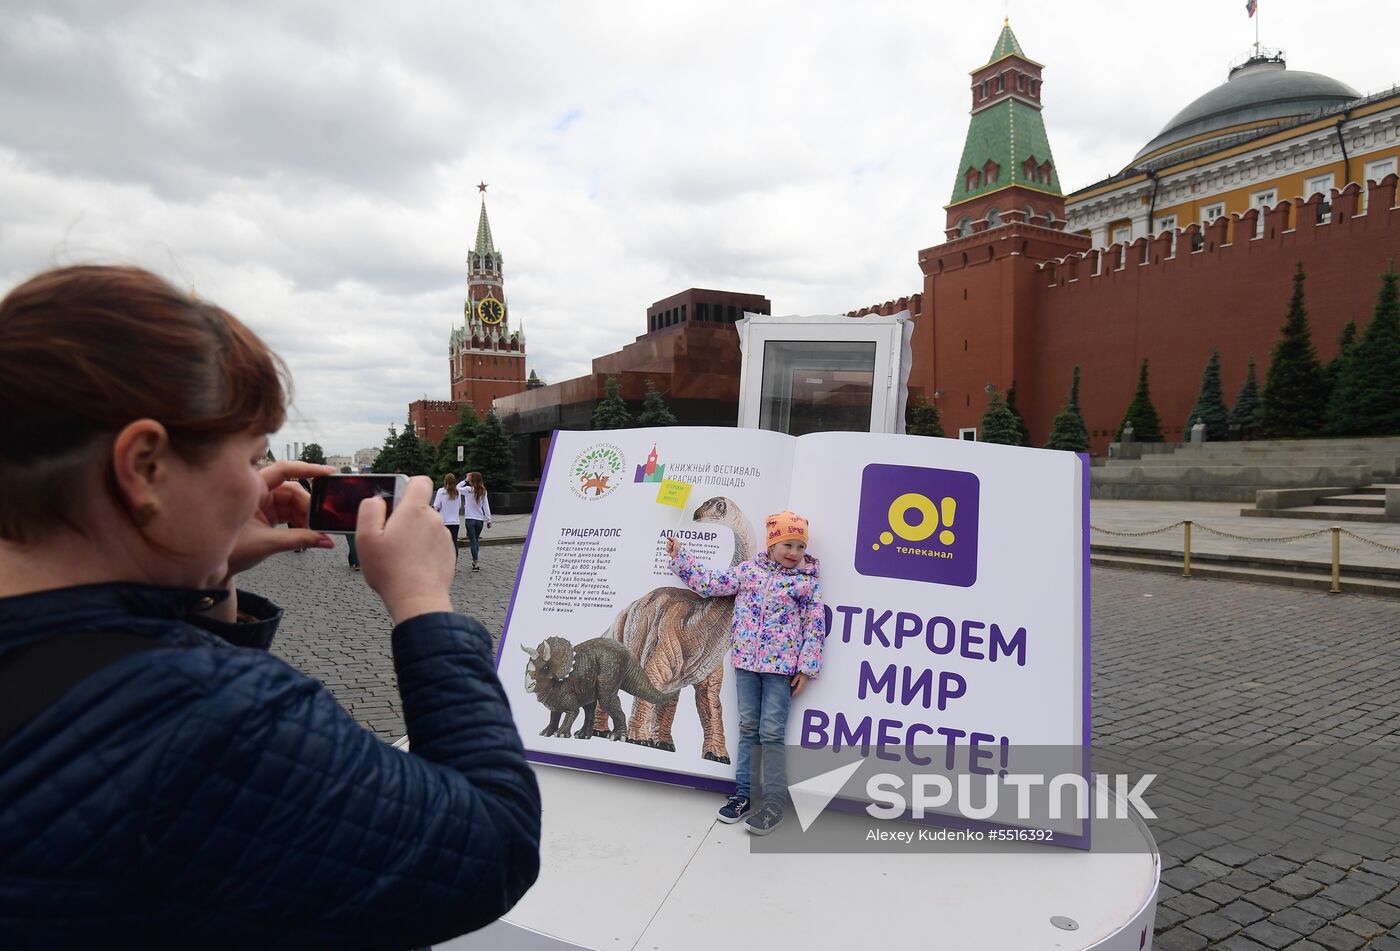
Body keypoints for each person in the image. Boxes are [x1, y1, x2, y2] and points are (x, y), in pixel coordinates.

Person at [0, 266, 540, 946]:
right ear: (143, 467)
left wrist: (209, 571)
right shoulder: (218, 718)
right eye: (252, 456)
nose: (257, 483)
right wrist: (424, 602)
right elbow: (494, 842)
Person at [665, 510, 826, 835]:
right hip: (745, 666)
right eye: (787, 545)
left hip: (780, 670)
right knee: (748, 729)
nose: (794, 553)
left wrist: (807, 669)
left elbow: (815, 626)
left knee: (771, 733)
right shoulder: (749, 572)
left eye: (799, 546)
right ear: (772, 543)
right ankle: (742, 794)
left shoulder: (805, 584)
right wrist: (680, 557)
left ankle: (773, 804)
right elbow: (711, 583)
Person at [458, 471, 492, 572]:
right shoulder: (483, 491)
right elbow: (486, 506)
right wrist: (489, 519)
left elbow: (457, 488)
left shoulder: (468, 490)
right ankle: (475, 561)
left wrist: (465, 480)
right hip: (479, 520)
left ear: (472, 480)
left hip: (470, 519)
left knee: (472, 541)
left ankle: (476, 562)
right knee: (475, 540)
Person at [433, 472, 463, 563]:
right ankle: (454, 563)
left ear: (445, 481)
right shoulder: (458, 492)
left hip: (443, 522)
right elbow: (459, 506)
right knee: (454, 543)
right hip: (455, 522)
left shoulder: (441, 491)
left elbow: (436, 506)